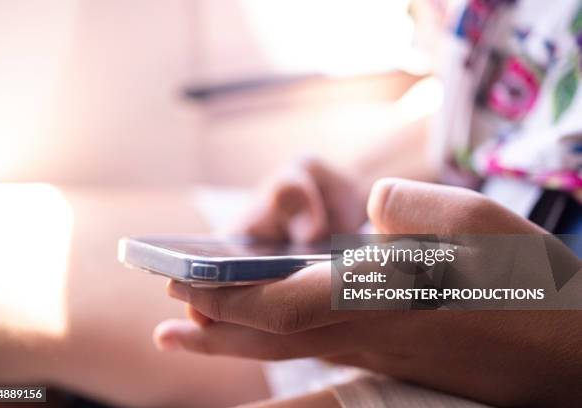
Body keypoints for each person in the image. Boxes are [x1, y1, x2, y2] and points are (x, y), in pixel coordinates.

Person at [154, 0, 582, 406]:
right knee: (88, 282)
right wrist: (349, 185)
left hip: (540, 331)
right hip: (443, 275)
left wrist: (564, 336)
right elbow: (506, 98)